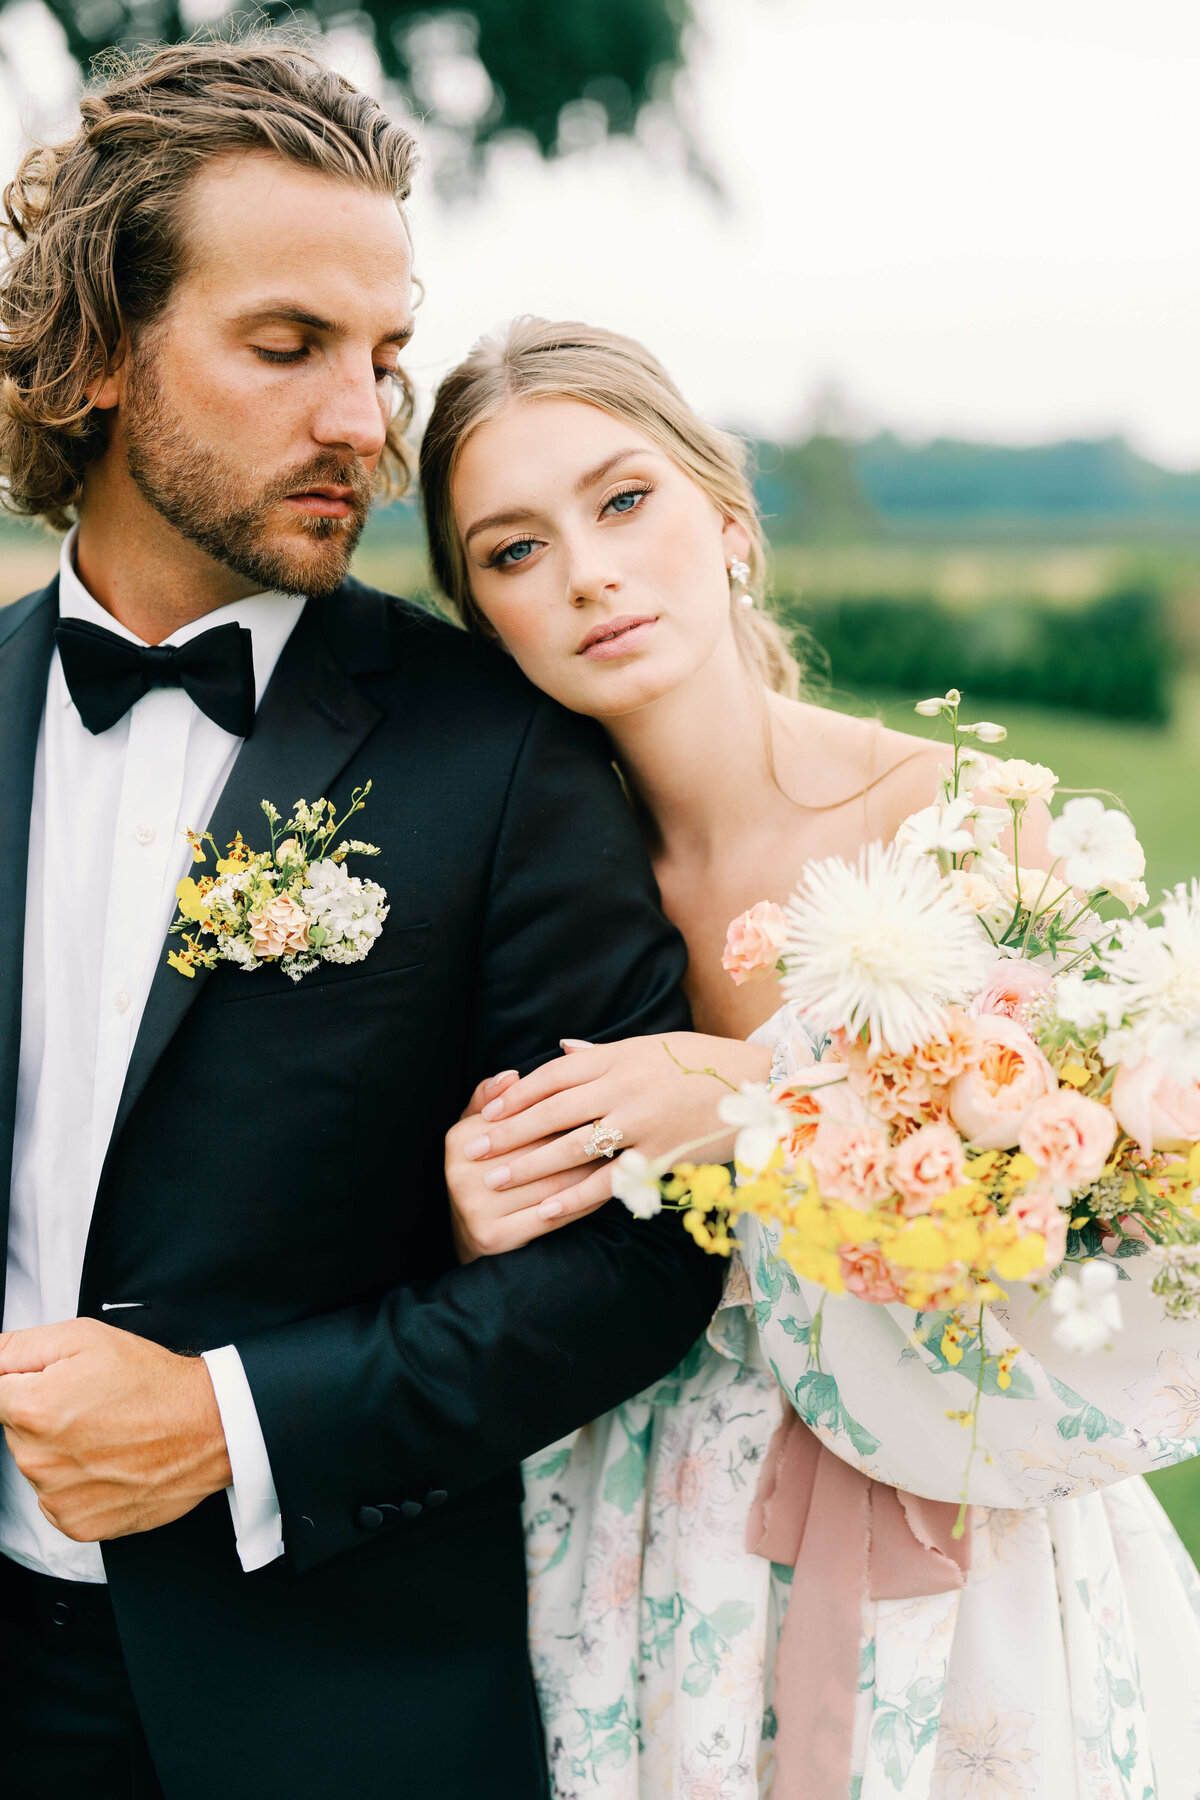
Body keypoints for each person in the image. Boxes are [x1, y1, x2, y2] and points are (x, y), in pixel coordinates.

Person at [0, 46, 727, 1800]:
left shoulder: (502, 754)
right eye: (288, 346)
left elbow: (640, 1260)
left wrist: (229, 1423)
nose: (363, 419)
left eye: (384, 356)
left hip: (338, 1707)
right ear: (98, 353)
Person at [422, 316, 1200, 1799]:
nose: (588, 570)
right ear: (486, 620)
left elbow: (1084, 1220)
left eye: (624, 500)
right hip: (631, 1526)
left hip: (943, 1524)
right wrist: (474, 1207)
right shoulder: (505, 890)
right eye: (514, 552)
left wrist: (738, 1096)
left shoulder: (966, 826)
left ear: (727, 521)